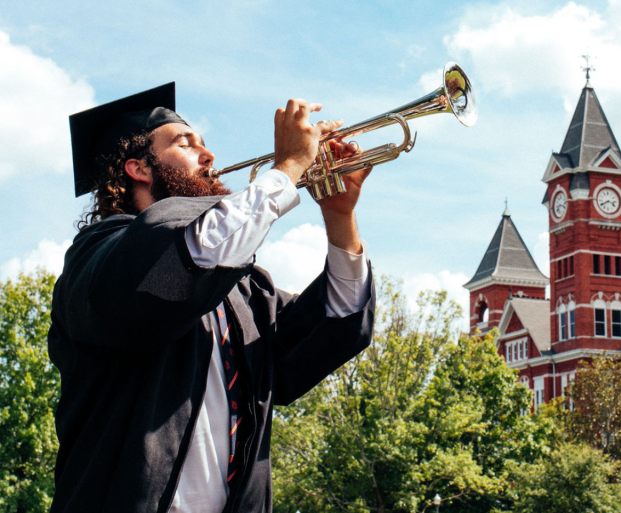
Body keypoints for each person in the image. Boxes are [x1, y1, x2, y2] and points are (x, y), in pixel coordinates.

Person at [48, 82, 375, 513]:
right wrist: (290, 166)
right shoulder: (98, 259)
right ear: (138, 169)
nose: (210, 156)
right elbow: (193, 246)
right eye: (186, 143)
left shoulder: (241, 288)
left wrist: (339, 217)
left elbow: (339, 320)